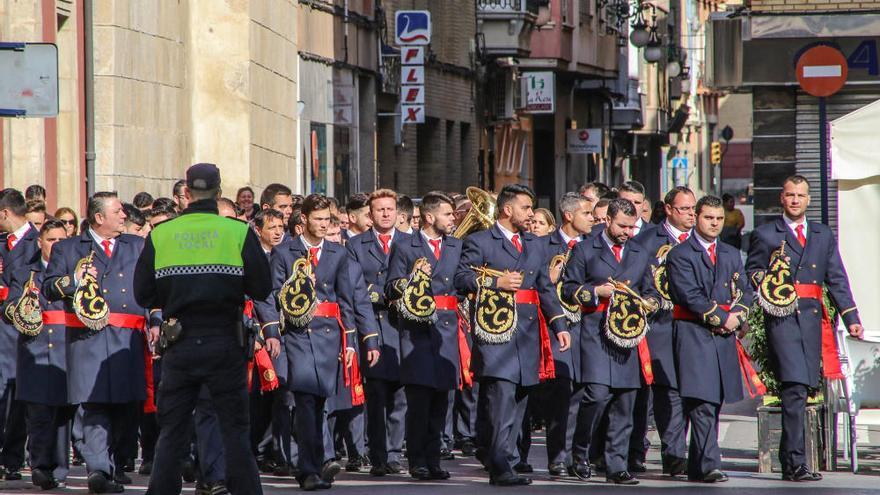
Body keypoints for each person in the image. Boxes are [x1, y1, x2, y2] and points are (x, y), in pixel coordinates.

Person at [133, 163, 274, 495]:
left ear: (186, 194)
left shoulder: (161, 235)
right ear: (219, 192)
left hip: (179, 343)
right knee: (236, 431)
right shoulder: (238, 232)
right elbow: (262, 288)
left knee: (172, 432)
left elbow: (143, 294)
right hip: (225, 341)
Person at [255, 194, 378, 490]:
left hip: (329, 337)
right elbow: (269, 295)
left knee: (321, 401)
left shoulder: (338, 253)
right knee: (306, 401)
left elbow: (349, 299)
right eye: (318, 219)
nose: (324, 225)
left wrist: (358, 340)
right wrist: (271, 332)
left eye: (328, 220)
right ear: (304, 220)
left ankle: (318, 462)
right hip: (296, 336)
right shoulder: (285, 252)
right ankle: (308, 468)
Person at [745, 175, 863, 482]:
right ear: (781, 199)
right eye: (790, 195)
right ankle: (795, 461)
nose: (795, 200)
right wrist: (769, 283)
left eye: (801, 195)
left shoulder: (823, 234)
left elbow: (836, 277)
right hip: (783, 317)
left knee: (804, 389)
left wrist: (851, 317)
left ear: (808, 199)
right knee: (794, 386)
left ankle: (792, 458)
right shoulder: (766, 233)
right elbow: (753, 271)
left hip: (812, 320)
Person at [455, 183, 570, 486]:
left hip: (527, 334)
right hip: (496, 332)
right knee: (500, 402)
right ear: (507, 210)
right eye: (526, 208)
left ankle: (507, 458)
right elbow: (462, 278)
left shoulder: (534, 244)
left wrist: (559, 325)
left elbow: (544, 287)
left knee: (519, 403)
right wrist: (496, 284)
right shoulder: (481, 240)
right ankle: (499, 464)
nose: (531, 214)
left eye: (532, 209)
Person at [42, 191, 146, 493]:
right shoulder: (70, 248)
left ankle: (114, 463)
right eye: (118, 211)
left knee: (126, 409)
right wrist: (73, 281)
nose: (124, 216)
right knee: (93, 406)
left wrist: (154, 320)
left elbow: (151, 288)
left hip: (126, 339)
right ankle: (99, 471)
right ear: (99, 217)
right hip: (88, 340)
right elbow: (49, 288)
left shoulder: (137, 246)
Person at [562, 198, 653, 485]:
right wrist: (594, 291)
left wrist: (651, 301)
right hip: (595, 331)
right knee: (597, 396)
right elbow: (568, 289)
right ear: (608, 221)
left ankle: (617, 465)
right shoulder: (585, 249)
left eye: (632, 226)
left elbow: (650, 290)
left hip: (628, 334)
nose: (627, 231)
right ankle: (580, 454)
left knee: (625, 403)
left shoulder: (640, 251)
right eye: (622, 226)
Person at [666, 194, 753, 482]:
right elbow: (688, 294)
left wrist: (739, 315)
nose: (714, 223)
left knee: (713, 402)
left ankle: (697, 465)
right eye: (708, 218)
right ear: (696, 218)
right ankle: (710, 464)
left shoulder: (729, 253)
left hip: (723, 337)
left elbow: (744, 290)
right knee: (701, 401)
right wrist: (722, 317)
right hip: (694, 334)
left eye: (718, 219)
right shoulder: (680, 254)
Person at [385, 191, 463, 481]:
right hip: (417, 331)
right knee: (419, 400)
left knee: (441, 400)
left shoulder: (456, 245)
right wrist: (410, 279)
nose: (452, 219)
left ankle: (433, 459)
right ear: (430, 217)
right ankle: (417, 459)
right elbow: (390, 286)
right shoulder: (406, 246)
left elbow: (463, 279)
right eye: (447, 214)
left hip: (447, 329)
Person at [2, 218, 74, 489]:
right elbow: (8, 309)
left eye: (61, 240)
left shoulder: (72, 273)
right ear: (40, 242)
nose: (56, 245)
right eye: (51, 240)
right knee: (39, 414)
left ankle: (60, 468)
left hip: (64, 352)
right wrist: (20, 310)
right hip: (35, 350)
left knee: (62, 414)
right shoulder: (24, 272)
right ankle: (41, 466)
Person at [629, 186, 695, 477]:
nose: (691, 215)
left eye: (693, 209)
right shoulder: (647, 240)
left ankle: (688, 450)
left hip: (693, 325)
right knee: (668, 391)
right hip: (660, 325)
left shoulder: (700, 238)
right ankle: (673, 453)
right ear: (668, 209)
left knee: (693, 390)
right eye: (684, 209)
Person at [348, 189, 411, 476]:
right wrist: (386, 294)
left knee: (400, 395)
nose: (386, 214)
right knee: (376, 394)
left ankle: (395, 453)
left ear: (398, 213)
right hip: (373, 323)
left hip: (404, 327)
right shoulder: (357, 245)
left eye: (390, 209)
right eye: (380, 210)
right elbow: (354, 283)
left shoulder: (412, 242)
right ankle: (377, 455)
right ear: (370, 215)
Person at [543, 192, 592, 478]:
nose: (593, 218)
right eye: (586, 213)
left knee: (585, 392)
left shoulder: (595, 245)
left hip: (588, 326)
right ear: (569, 216)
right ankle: (558, 456)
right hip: (556, 326)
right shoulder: (544, 244)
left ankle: (580, 455)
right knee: (561, 392)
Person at [0, 188, 39, 481]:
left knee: (15, 393)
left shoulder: (36, 242)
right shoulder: (3, 243)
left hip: (20, 327)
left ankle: (11, 457)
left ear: (5, 213)